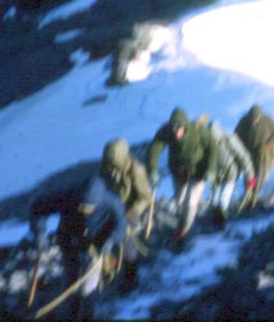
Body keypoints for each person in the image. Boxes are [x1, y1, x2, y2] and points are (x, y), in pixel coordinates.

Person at [29, 174, 126, 319]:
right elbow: (38, 206)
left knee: (88, 287)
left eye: (90, 209)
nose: (86, 211)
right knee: (70, 279)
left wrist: (111, 240)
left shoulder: (112, 202)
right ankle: (70, 313)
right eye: (82, 207)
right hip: (69, 241)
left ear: (99, 204)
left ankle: (87, 315)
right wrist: (39, 233)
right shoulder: (67, 196)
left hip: (97, 245)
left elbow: (121, 225)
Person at [146, 107, 217, 239]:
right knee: (179, 200)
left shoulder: (199, 131)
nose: (176, 131)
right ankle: (181, 220)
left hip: (198, 171)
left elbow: (212, 148)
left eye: (179, 128)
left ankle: (182, 233)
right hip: (178, 171)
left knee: (190, 203)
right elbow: (154, 150)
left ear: (185, 126)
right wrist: (152, 171)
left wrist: (211, 169)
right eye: (173, 128)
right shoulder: (165, 131)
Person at [100, 137, 153, 292]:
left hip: (131, 209)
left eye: (112, 161)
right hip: (112, 207)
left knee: (127, 240)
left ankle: (131, 277)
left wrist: (132, 212)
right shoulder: (106, 167)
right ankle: (110, 269)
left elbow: (145, 197)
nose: (110, 165)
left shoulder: (136, 170)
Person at [208, 120, 256, 226]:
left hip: (231, 172)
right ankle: (215, 221)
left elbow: (244, 157)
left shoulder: (229, 139)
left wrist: (250, 177)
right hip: (216, 175)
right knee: (214, 199)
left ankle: (222, 222)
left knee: (224, 198)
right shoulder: (207, 144)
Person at [234, 104, 274, 204]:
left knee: (260, 173)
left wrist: (270, 143)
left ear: (260, 116)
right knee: (249, 173)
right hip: (248, 152)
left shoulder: (267, 120)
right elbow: (236, 134)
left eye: (256, 119)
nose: (254, 121)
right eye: (252, 119)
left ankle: (255, 193)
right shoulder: (244, 120)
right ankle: (248, 193)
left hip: (263, 152)